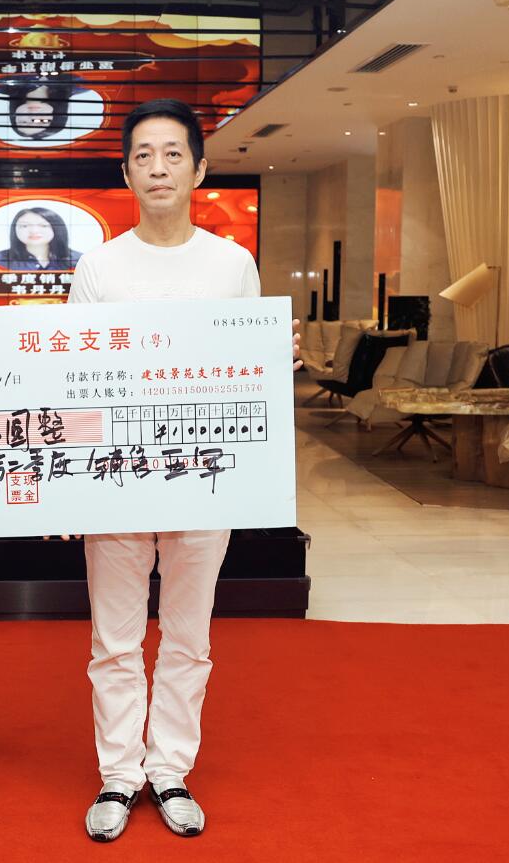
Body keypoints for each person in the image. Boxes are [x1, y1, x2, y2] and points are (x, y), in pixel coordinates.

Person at [67, 99, 300, 842]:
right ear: (126, 172)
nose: (158, 167)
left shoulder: (231, 264)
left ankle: (169, 768)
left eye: (173, 154)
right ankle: (117, 773)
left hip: (206, 478)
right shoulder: (99, 266)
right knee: (113, 638)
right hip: (115, 479)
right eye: (143, 155)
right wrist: (66, 489)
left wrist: (278, 359)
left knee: (188, 635)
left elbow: (249, 373)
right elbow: (71, 383)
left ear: (199, 169)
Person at [0, 207, 83, 271]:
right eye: (25, 226)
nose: (34, 231)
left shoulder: (79, 260)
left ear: (56, 229)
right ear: (14, 229)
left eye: (43, 225)